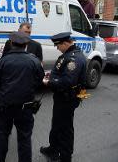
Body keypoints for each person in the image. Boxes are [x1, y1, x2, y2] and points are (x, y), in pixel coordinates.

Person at [0, 32, 45, 162]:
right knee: (25, 139)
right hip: (26, 107)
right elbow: (39, 80)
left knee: (1, 137)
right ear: (26, 45)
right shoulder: (34, 61)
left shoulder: (2, 61)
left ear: (11, 44)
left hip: (5, 106)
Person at [40, 32, 87, 162]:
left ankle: (66, 156)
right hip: (63, 98)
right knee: (57, 124)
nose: (57, 48)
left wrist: (49, 82)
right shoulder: (69, 55)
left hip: (67, 99)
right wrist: (52, 75)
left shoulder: (74, 59)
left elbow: (68, 82)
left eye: (58, 45)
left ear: (65, 43)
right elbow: (62, 73)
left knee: (65, 128)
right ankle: (53, 149)